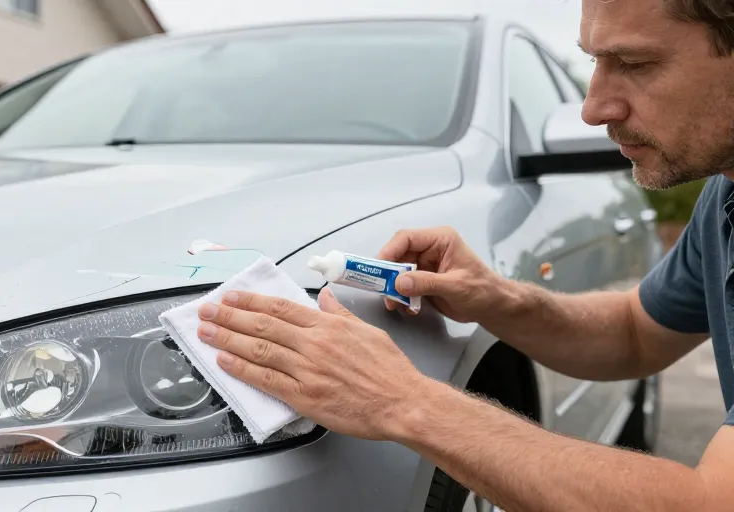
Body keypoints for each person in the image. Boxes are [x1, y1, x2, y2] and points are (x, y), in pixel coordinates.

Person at [193, 0, 734, 509]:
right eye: (595, 62)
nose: (593, 109)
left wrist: (399, 399)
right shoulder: (722, 198)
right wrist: (495, 300)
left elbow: (713, 501)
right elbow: (635, 333)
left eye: (636, 64)